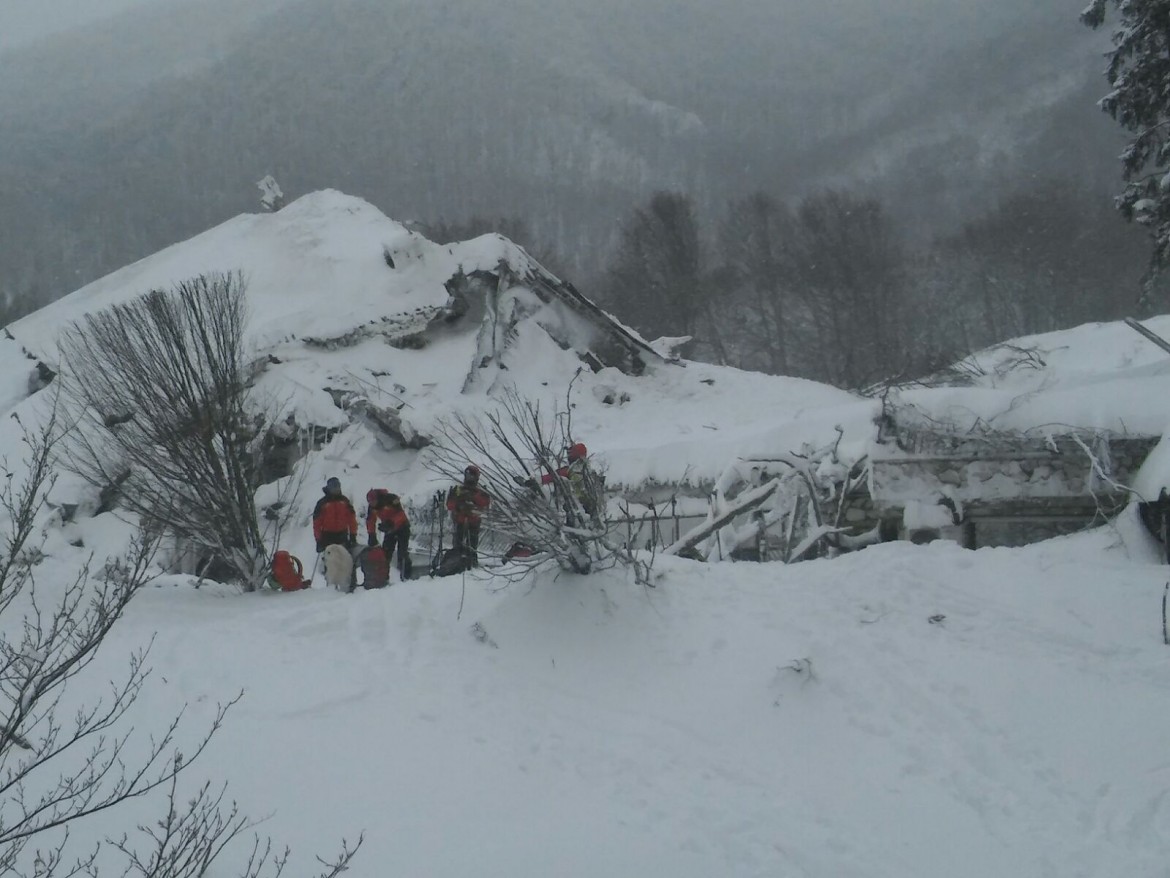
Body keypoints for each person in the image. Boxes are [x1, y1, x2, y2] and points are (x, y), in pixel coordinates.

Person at [446, 464, 490, 566]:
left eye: (472, 475)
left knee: (472, 547)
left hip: (473, 522)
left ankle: (472, 564)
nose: (469, 478)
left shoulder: (480, 492)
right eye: (468, 475)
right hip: (459, 521)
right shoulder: (457, 490)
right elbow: (449, 505)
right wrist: (459, 503)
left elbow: (485, 502)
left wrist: (472, 497)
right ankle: (457, 564)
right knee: (458, 546)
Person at [366, 489, 412, 579]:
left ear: (377, 498)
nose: (372, 504)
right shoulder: (371, 507)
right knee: (385, 555)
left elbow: (401, 514)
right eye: (370, 502)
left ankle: (406, 577)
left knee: (402, 553)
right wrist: (371, 535)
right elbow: (370, 521)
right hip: (389, 530)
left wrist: (391, 523)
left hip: (402, 527)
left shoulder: (390, 499)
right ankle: (383, 577)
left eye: (373, 501)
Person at [313, 476, 358, 554]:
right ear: (329, 488)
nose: (336, 489)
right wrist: (319, 540)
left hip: (342, 535)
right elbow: (317, 523)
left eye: (337, 486)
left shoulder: (345, 501)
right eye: (333, 487)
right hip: (327, 536)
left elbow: (352, 519)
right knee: (331, 560)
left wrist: (353, 535)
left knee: (344, 559)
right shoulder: (322, 503)